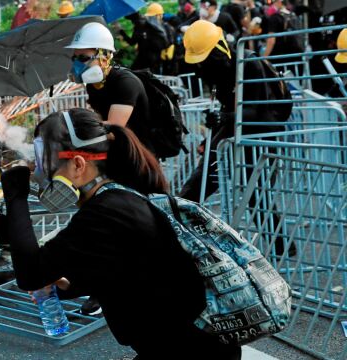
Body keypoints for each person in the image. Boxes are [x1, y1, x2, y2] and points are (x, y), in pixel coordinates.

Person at [0, 108, 242, 359]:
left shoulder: (107, 212)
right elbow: (122, 273)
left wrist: (15, 194)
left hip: (188, 350)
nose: (39, 171)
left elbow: (30, 274)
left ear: (78, 164)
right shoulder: (119, 199)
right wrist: (66, 285)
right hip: (186, 345)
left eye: (44, 159)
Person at [178, 21, 294, 256]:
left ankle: (283, 247)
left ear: (219, 49)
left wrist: (224, 116)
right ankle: (179, 237)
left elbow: (261, 110)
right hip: (232, 133)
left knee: (256, 194)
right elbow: (229, 107)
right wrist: (216, 124)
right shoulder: (214, 68)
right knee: (196, 186)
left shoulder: (248, 63)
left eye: (205, 57)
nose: (201, 64)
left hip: (261, 134)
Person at [67, 22, 155, 155]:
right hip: (117, 152)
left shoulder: (125, 82)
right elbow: (100, 121)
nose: (77, 64)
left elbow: (114, 130)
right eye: (75, 58)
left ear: (105, 57)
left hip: (140, 157)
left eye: (83, 58)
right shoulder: (93, 85)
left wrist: (74, 134)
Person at [263, 0, 304, 64]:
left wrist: (264, 57)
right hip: (297, 54)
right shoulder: (292, 15)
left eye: (272, 3)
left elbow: (271, 39)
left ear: (279, 2)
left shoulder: (274, 18)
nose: (270, 6)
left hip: (282, 56)